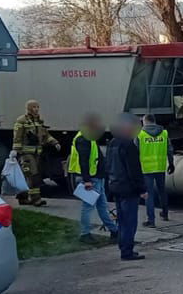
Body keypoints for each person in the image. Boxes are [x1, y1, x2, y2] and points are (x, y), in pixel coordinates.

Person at [68, 113, 118, 244]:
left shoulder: (88, 137)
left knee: (102, 205)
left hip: (97, 176)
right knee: (88, 206)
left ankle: (114, 230)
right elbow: (84, 161)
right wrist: (87, 180)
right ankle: (85, 233)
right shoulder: (83, 139)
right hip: (92, 178)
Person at [107, 113, 148, 261]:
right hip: (128, 188)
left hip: (116, 186)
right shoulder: (128, 145)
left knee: (122, 220)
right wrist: (142, 189)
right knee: (130, 221)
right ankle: (127, 251)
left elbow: (108, 165)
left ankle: (123, 246)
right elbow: (134, 170)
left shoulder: (113, 143)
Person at [12, 99, 60, 206]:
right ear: (28, 108)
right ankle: (36, 199)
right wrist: (15, 150)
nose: (36, 109)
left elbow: (45, 135)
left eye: (37, 107)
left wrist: (54, 142)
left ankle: (23, 197)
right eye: (34, 107)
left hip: (37, 153)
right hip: (26, 153)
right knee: (32, 175)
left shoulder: (39, 121)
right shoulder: (21, 121)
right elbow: (17, 137)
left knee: (31, 176)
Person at [138, 114, 175, 227]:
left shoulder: (140, 135)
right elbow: (169, 150)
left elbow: (135, 152)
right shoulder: (164, 133)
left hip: (146, 169)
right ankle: (165, 213)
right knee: (162, 190)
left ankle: (151, 220)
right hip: (160, 167)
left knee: (148, 194)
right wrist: (171, 163)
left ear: (145, 122)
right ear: (154, 121)